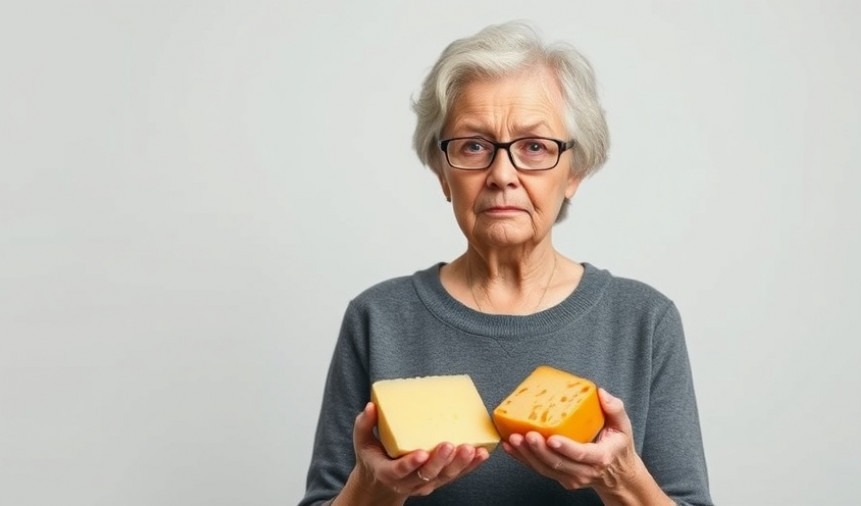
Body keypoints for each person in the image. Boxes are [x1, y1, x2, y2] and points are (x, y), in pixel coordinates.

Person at [299, 21, 712, 506]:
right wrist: (374, 488)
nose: (501, 175)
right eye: (473, 146)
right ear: (442, 173)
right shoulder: (377, 317)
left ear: (574, 171)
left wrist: (620, 479)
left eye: (534, 147)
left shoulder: (644, 319)